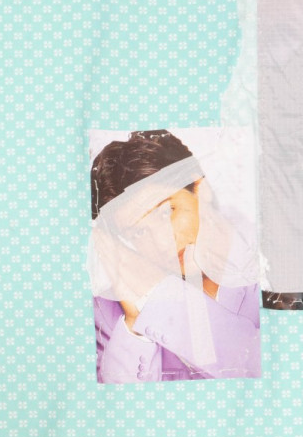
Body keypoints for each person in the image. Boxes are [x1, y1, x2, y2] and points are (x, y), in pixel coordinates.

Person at [90, 131, 260, 382]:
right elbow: (119, 401)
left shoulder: (271, 264)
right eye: (138, 232)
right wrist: (135, 324)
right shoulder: (107, 314)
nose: (162, 243)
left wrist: (161, 298)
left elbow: (270, 368)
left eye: (166, 212)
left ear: (200, 188)